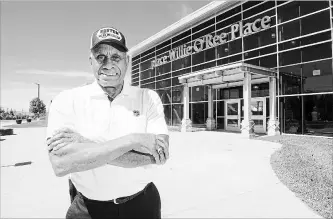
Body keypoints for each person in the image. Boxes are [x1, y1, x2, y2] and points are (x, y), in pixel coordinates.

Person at [46, 26, 169, 219]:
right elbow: (61, 164)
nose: (108, 64)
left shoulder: (148, 98)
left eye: (116, 57)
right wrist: (134, 140)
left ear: (127, 61)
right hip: (88, 210)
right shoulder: (67, 100)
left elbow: (159, 155)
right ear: (91, 61)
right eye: (100, 57)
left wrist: (84, 145)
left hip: (143, 205)